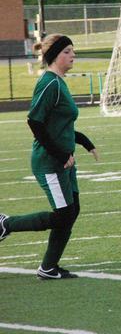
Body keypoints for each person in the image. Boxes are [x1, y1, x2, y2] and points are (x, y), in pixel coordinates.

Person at [0, 34, 99, 280]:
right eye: (67, 51)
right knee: (64, 214)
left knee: (72, 211)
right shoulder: (49, 84)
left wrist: (84, 142)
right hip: (49, 162)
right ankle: (5, 224)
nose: (73, 55)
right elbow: (35, 122)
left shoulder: (59, 82)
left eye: (72, 50)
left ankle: (49, 267)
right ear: (54, 55)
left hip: (64, 161)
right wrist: (60, 154)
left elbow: (59, 125)